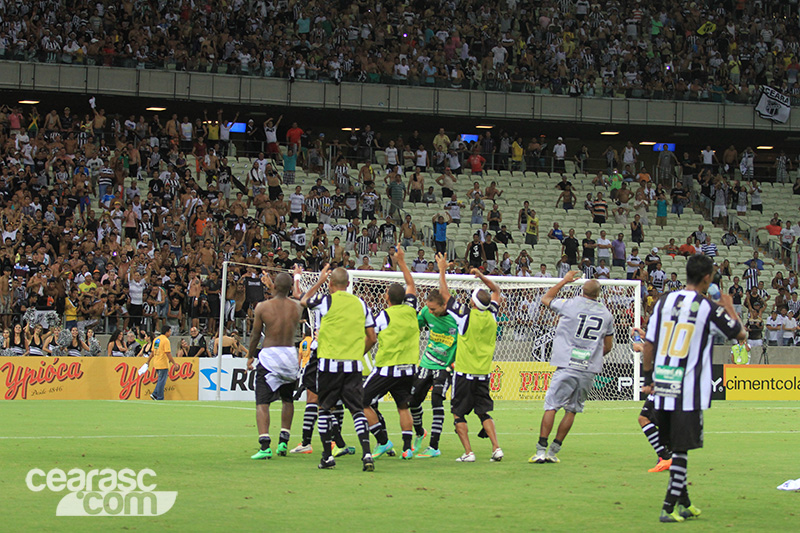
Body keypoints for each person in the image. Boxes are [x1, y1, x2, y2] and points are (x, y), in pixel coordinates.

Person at [641, 254, 745, 523]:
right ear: (708, 278)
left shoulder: (664, 302)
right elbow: (740, 335)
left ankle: (685, 503)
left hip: (663, 385)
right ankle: (668, 507)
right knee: (682, 450)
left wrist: (647, 379)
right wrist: (729, 307)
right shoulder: (707, 307)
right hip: (688, 390)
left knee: (675, 448)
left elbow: (649, 344)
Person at [530, 271, 614, 464]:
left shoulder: (570, 305)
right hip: (588, 369)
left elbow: (546, 298)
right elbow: (608, 347)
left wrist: (565, 280)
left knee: (552, 406)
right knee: (572, 409)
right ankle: (553, 451)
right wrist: (591, 355)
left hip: (567, 364)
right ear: (598, 294)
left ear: (582, 290)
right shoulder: (606, 315)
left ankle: (541, 451)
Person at [301, 265, 377, 471]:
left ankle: (327, 456)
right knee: (357, 410)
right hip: (353, 366)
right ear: (349, 284)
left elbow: (303, 300)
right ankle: (367, 454)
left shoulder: (326, 301)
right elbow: (372, 337)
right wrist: (357, 353)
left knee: (325, 409)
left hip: (328, 366)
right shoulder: (361, 304)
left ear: (331, 284)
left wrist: (319, 281)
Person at [436, 253, 504, 463]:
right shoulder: (492, 315)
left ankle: (468, 452)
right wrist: (481, 275)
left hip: (464, 373)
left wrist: (442, 270)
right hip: (483, 373)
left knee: (458, 412)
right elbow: (497, 290)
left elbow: (445, 295)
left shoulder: (465, 315)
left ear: (472, 303)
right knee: (483, 412)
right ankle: (496, 448)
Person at [363, 246, 419, 460]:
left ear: (387, 297)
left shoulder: (384, 316)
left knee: (361, 401)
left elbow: (371, 336)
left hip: (388, 368)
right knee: (402, 406)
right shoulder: (411, 310)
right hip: (409, 367)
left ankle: (384, 441)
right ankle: (407, 448)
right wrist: (402, 262)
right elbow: (411, 284)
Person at [247, 271, 302, 460]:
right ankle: (284, 441)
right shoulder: (297, 307)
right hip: (289, 355)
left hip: (270, 356)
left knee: (262, 402)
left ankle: (264, 445)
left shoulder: (262, 307)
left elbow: (255, 335)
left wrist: (249, 356)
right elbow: (294, 295)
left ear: (274, 287)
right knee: (288, 400)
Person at [409, 280, 458, 459]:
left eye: (434, 309)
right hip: (426, 363)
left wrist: (455, 363)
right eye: (428, 309)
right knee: (413, 401)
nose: (430, 312)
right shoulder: (426, 313)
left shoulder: (456, 319)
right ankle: (420, 431)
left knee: (437, 400)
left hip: (445, 367)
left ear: (444, 305)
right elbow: (415, 326)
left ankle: (434, 446)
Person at [146, 325, 176, 401]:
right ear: (166, 332)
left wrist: (148, 361)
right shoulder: (165, 340)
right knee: (162, 381)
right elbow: (168, 353)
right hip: (163, 363)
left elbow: (153, 352)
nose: (170, 333)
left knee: (160, 380)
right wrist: (174, 363)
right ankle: (159, 397)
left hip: (156, 362)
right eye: (169, 331)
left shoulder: (156, 340)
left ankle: (155, 394)